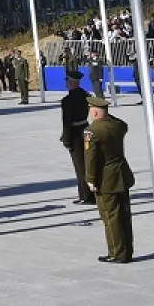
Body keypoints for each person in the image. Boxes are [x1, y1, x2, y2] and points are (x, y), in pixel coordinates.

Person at [84, 95, 135, 263]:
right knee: (125, 215)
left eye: (91, 111)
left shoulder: (92, 131)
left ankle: (116, 252)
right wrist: (106, 114)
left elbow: (90, 158)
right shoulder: (118, 126)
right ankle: (127, 251)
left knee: (110, 217)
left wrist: (90, 179)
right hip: (122, 175)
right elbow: (122, 124)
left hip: (105, 179)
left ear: (96, 113)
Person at [59, 70, 95, 205]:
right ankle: (89, 193)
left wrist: (66, 139)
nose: (66, 83)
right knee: (88, 163)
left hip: (75, 134)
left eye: (67, 81)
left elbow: (67, 123)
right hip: (86, 129)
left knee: (80, 166)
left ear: (71, 83)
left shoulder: (67, 101)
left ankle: (86, 196)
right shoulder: (86, 95)